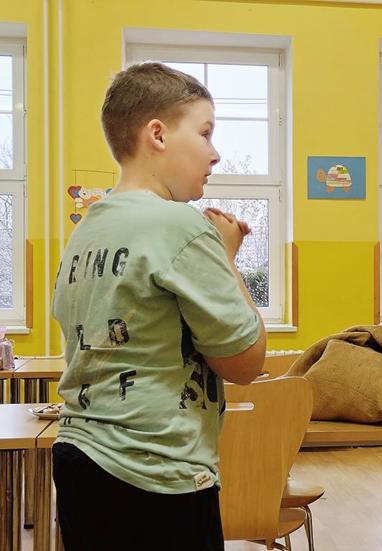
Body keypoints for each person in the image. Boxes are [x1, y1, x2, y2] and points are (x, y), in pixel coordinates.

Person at [51, 62, 267, 551]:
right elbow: (245, 362)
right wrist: (227, 258)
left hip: (79, 458)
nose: (215, 153)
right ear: (158, 134)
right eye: (205, 132)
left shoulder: (87, 231)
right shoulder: (181, 225)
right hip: (155, 472)